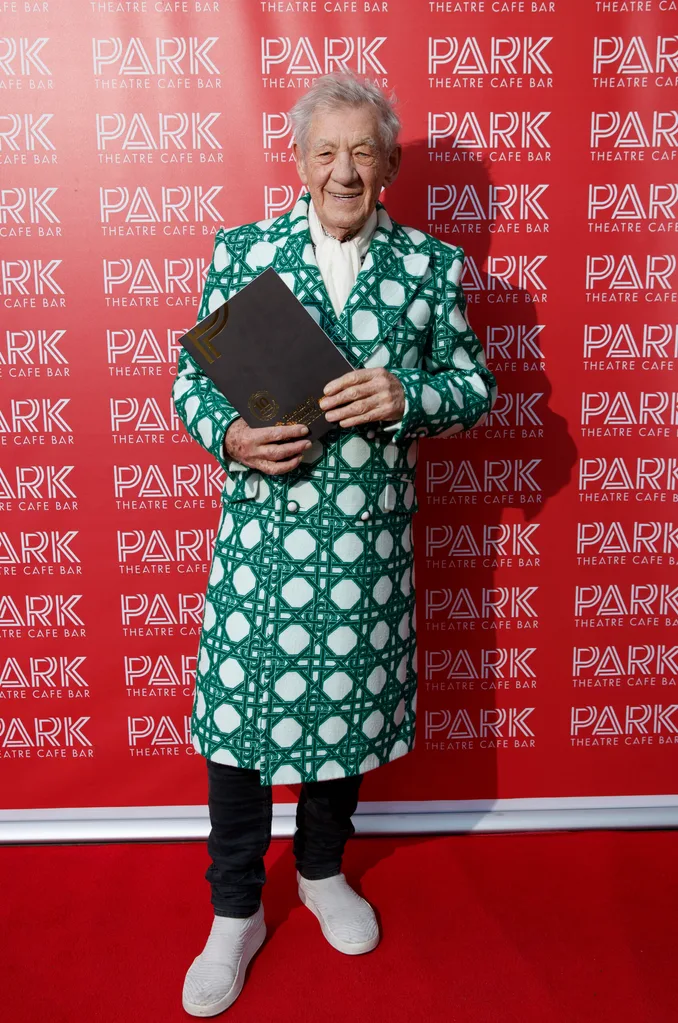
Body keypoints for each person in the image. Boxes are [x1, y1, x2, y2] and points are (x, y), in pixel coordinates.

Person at [172, 72, 497, 1017]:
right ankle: (235, 910)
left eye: (363, 151)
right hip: (260, 546)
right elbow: (193, 380)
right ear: (301, 160)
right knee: (236, 730)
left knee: (343, 717)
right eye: (327, 151)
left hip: (365, 549)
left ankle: (320, 873)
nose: (344, 170)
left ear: (388, 162)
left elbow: (474, 390)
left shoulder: (432, 267)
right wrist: (227, 436)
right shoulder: (245, 250)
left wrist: (412, 398)